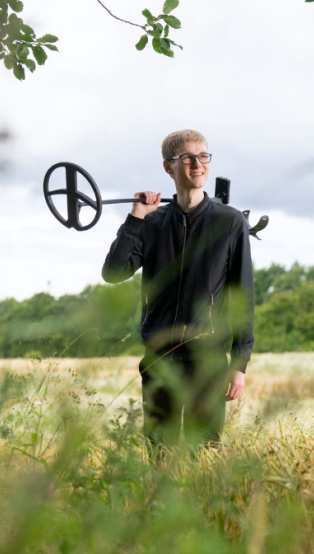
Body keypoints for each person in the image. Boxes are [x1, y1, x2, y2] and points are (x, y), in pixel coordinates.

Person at [102, 129, 255, 448]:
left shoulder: (229, 223)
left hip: (209, 360)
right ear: (168, 166)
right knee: (159, 450)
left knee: (205, 451)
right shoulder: (152, 221)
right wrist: (135, 220)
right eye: (187, 157)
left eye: (203, 156)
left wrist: (239, 365)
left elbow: (243, 295)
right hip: (160, 357)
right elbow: (114, 273)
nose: (197, 164)